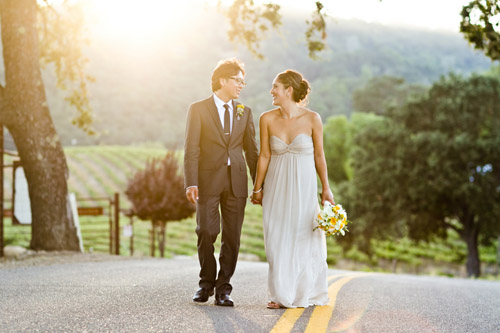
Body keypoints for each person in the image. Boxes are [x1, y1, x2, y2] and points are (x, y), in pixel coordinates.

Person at [251, 69, 334, 309]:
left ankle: (302, 293)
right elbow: (264, 156)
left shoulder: (312, 119)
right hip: (276, 186)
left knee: (303, 236)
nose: (271, 91)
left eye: (275, 87)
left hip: (304, 187)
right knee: (276, 237)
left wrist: (326, 188)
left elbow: (320, 156)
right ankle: (281, 293)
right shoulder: (266, 118)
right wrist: (257, 188)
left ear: (289, 90)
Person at [184, 58, 258, 307]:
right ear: (223, 80)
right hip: (206, 181)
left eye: (243, 81)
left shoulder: (244, 112)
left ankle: (223, 289)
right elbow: (191, 148)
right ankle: (205, 283)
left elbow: (252, 151)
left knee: (232, 237)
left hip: (237, 183)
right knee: (206, 231)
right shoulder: (198, 109)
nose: (241, 85)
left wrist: (258, 184)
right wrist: (191, 182)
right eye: (238, 80)